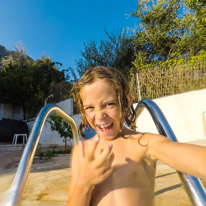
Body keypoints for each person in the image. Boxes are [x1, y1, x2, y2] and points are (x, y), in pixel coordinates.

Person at [67, 66, 206, 206]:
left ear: (126, 103)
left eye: (109, 104)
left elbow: (195, 158)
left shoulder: (143, 144)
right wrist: (83, 183)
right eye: (90, 108)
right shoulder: (82, 152)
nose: (99, 116)